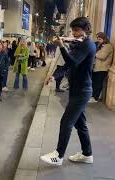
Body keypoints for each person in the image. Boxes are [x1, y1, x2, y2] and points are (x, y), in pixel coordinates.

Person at [40, 17, 96, 166]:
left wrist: (62, 46)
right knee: (80, 123)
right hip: (76, 89)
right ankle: (87, 154)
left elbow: (73, 62)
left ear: (86, 30)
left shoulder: (88, 45)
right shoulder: (79, 44)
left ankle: (58, 155)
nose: (74, 33)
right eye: (73, 30)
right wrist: (53, 76)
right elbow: (67, 66)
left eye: (77, 30)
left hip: (82, 90)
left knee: (66, 121)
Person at [89, 32, 114, 103]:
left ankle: (95, 97)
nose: (98, 40)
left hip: (102, 68)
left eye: (99, 39)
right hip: (96, 68)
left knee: (97, 83)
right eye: (97, 38)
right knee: (94, 83)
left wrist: (95, 53)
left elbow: (102, 56)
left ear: (104, 38)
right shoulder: (101, 46)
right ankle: (93, 96)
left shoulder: (108, 46)